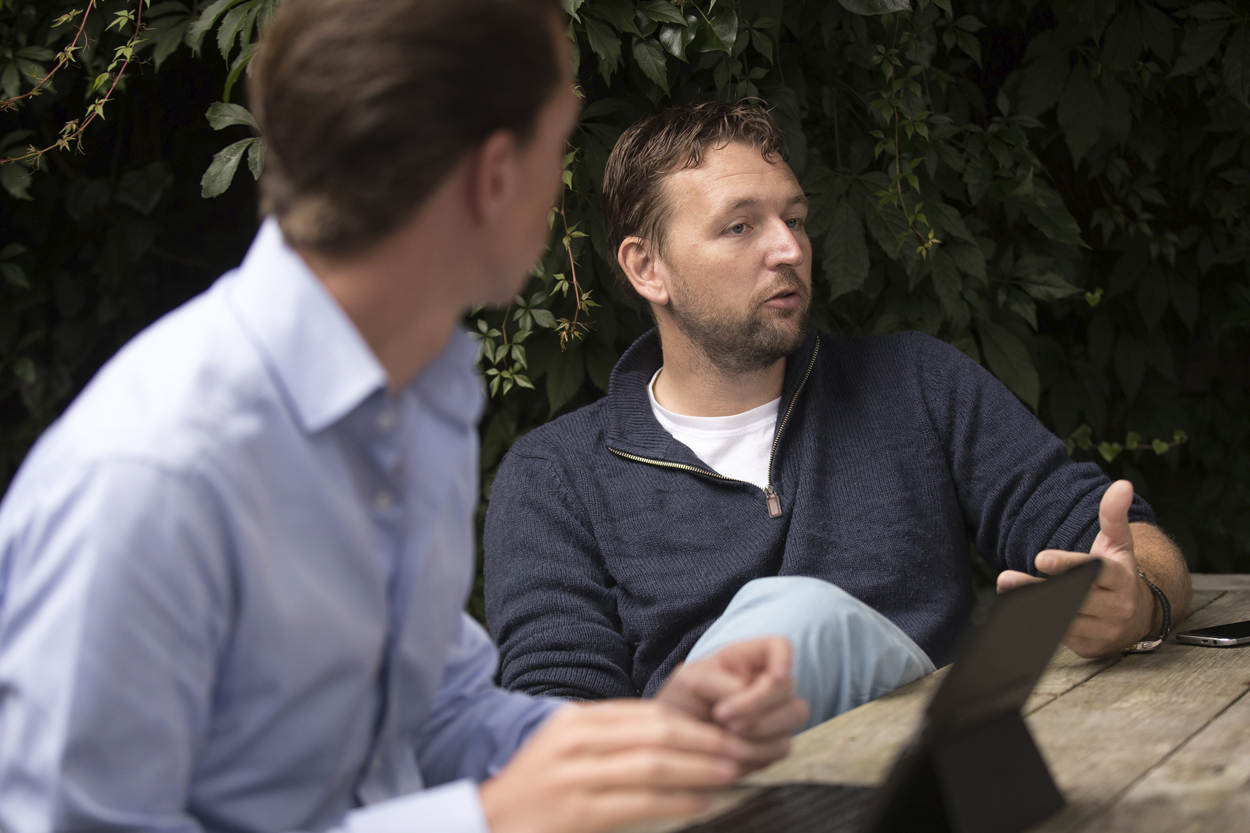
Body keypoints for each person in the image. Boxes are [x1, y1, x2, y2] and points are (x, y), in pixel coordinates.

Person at [0, 8, 810, 833]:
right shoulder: (152, 473)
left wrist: (641, 740)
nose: (564, 181)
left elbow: (434, 713)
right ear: (493, 177)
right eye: (556, 143)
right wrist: (485, 821)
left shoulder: (418, 407)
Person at [482, 99, 1192, 727]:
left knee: (803, 622)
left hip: (925, 779)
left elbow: (1128, 543)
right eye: (739, 227)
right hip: (708, 798)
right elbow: (559, 713)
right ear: (647, 268)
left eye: (794, 219)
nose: (789, 249)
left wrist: (1140, 602)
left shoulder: (918, 383)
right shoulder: (555, 474)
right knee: (791, 625)